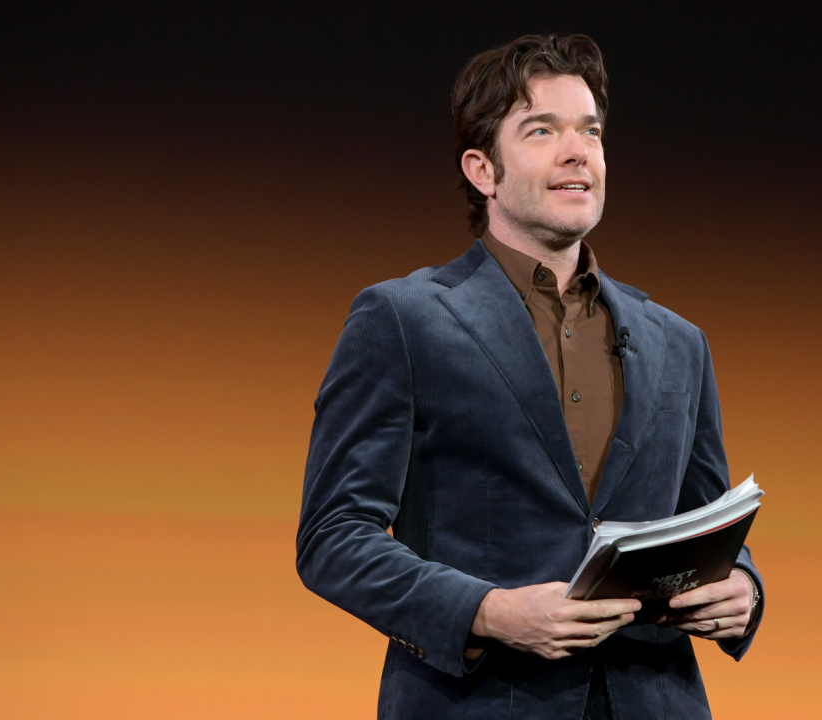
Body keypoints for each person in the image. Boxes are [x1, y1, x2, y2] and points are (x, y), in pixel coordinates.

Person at [296, 33, 764, 719]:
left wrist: (743, 585)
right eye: (542, 131)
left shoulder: (680, 343)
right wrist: (487, 611)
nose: (578, 152)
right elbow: (333, 536)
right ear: (482, 170)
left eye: (590, 133)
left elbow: (705, 526)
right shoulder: (402, 319)